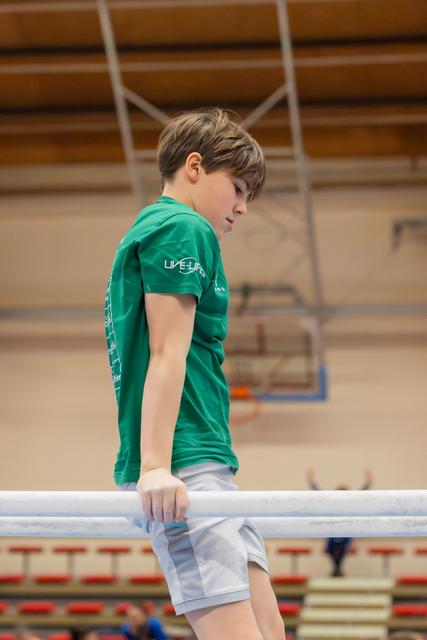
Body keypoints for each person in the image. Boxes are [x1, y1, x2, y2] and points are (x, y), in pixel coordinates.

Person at [105, 107, 285, 640]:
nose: (242, 207)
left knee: (271, 633)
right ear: (194, 167)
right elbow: (166, 352)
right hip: (183, 467)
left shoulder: (161, 228)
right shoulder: (181, 227)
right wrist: (157, 467)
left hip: (206, 459)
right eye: (237, 188)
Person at [306, 468, 373, 577]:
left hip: (345, 532)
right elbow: (318, 494)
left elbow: (361, 494)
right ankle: (336, 568)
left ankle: (337, 568)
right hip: (332, 531)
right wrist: (311, 481)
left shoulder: (350, 503)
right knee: (329, 547)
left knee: (344, 545)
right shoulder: (331, 502)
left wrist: (368, 482)